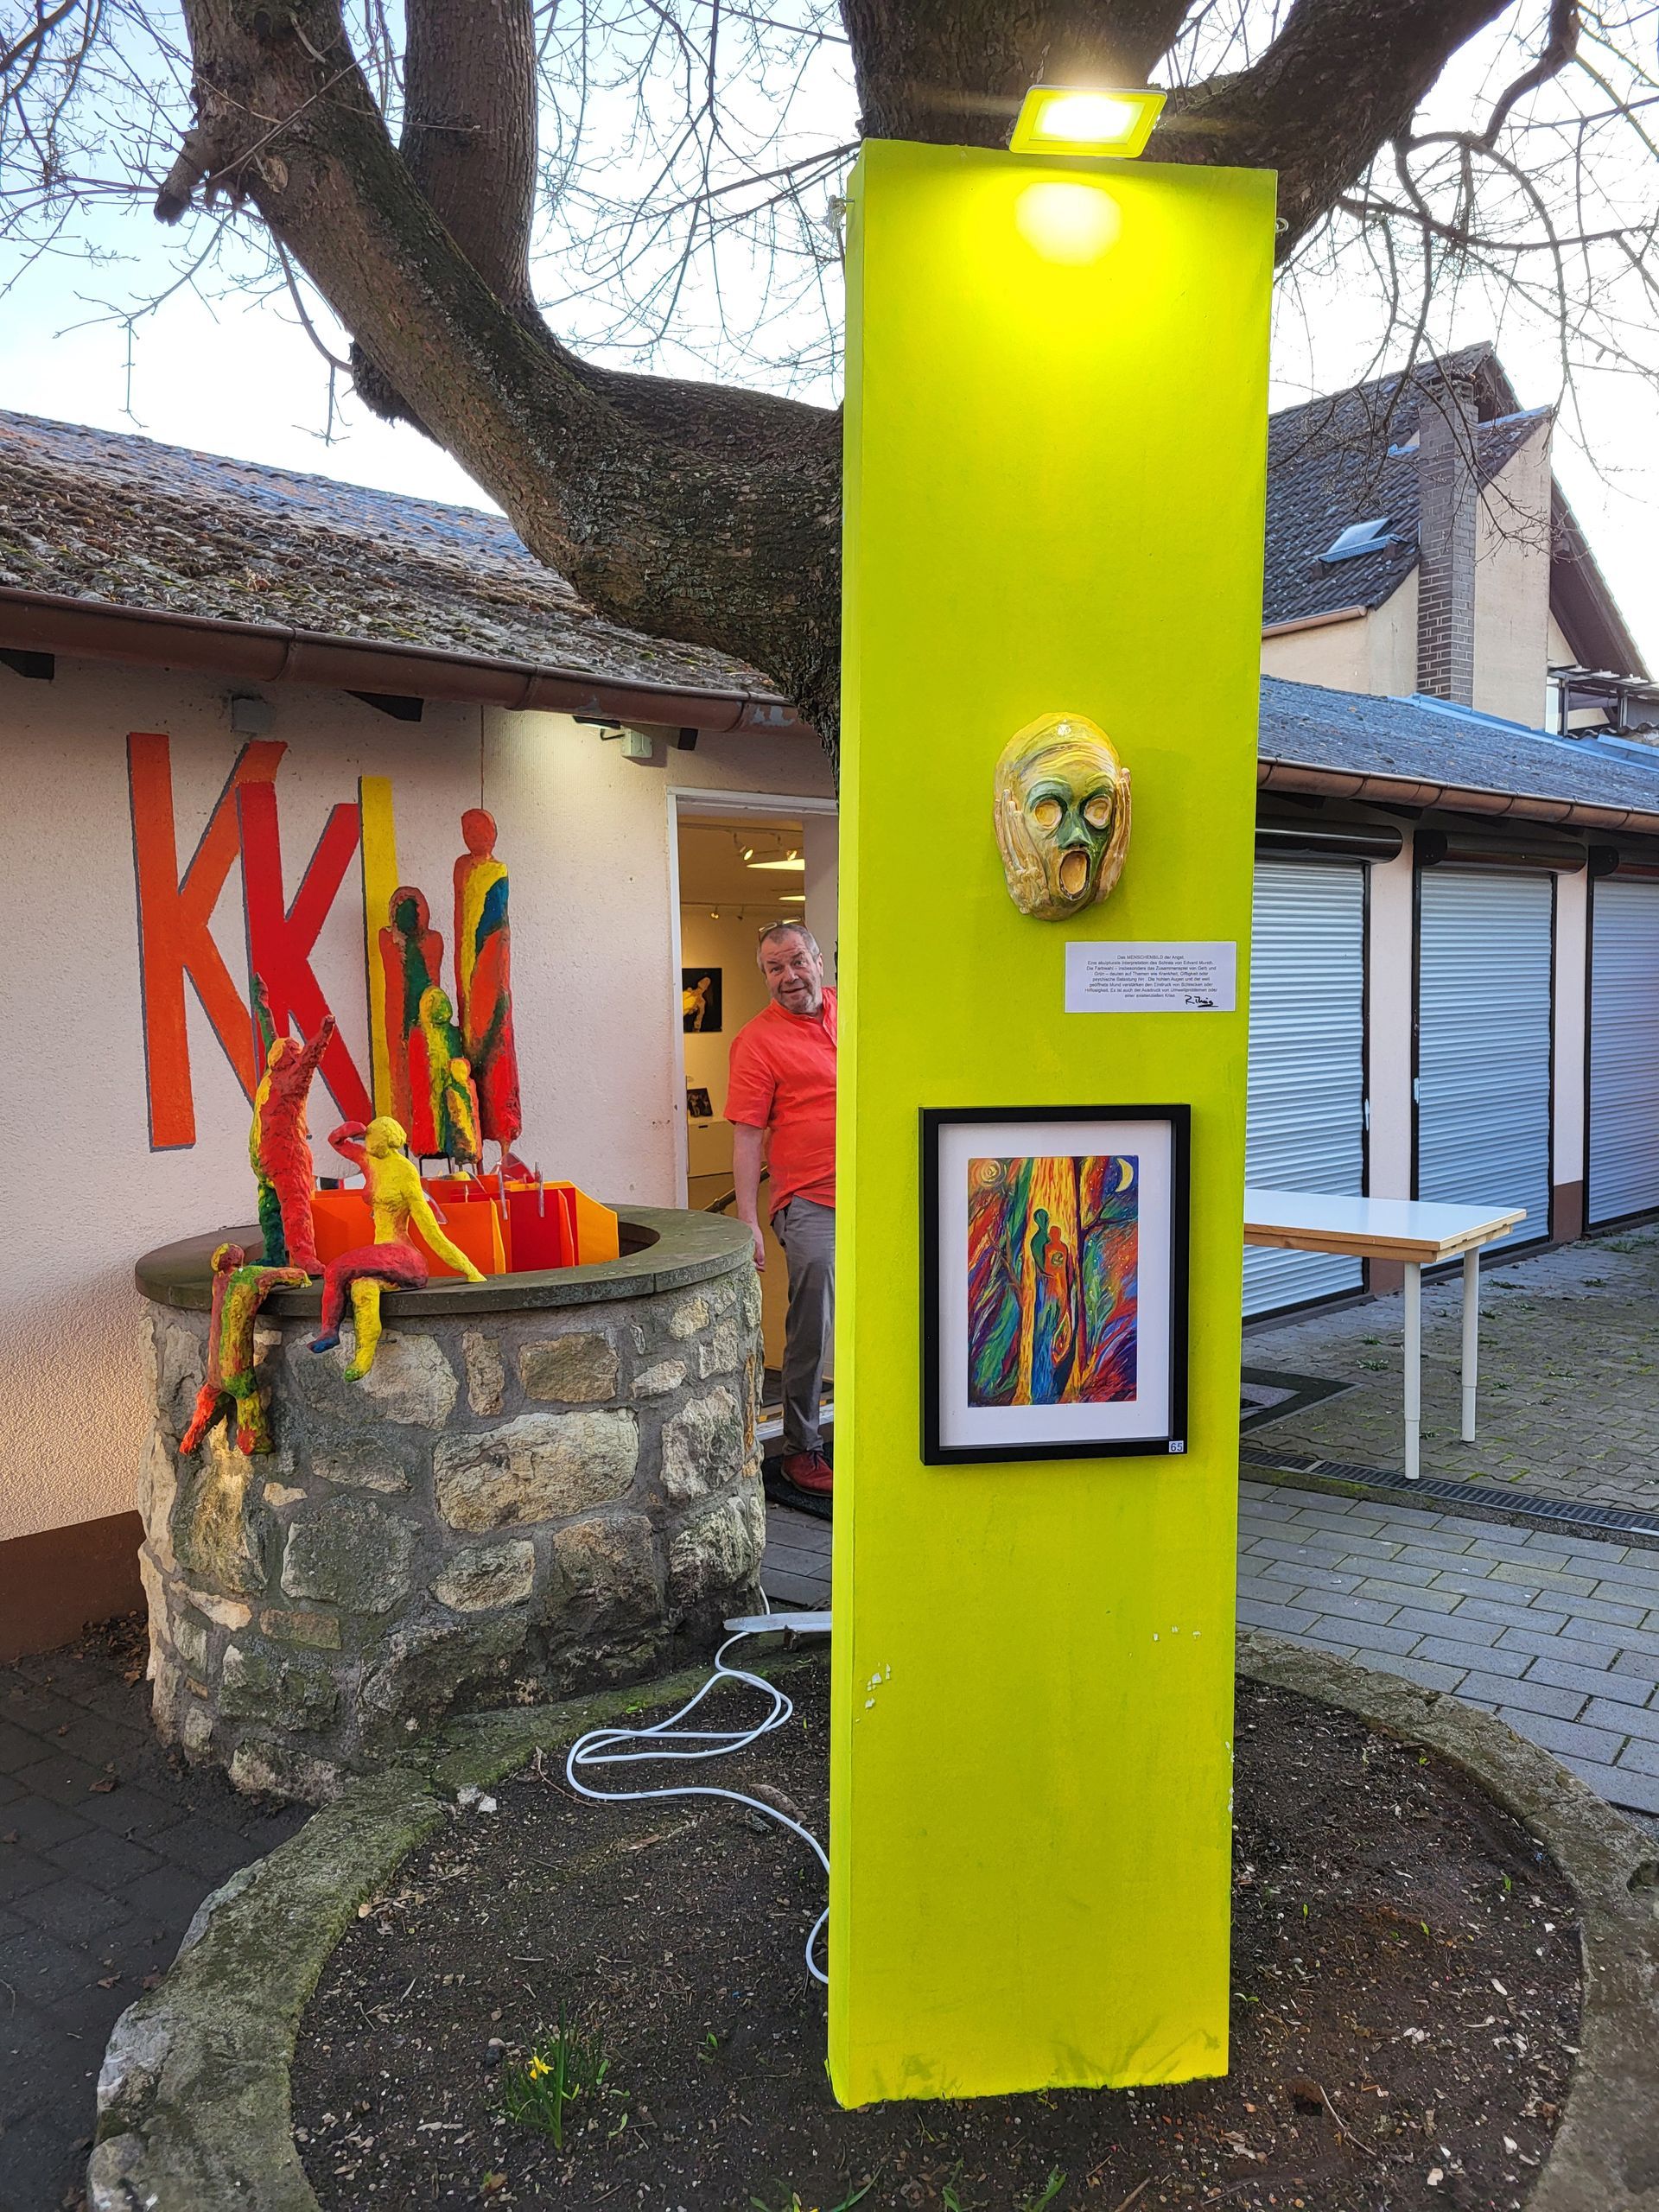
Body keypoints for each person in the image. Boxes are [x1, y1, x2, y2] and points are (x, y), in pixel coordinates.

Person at [726, 921, 836, 1500]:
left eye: (796, 961)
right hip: (812, 1201)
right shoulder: (756, 1041)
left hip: (880, 1195)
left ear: (819, 960)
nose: (789, 976)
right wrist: (748, 1220)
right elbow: (747, 1137)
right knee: (813, 1324)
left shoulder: (856, 1011)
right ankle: (801, 1447)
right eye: (775, 968)